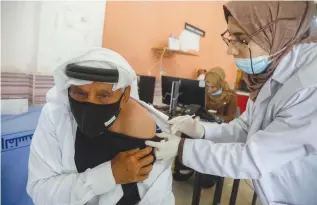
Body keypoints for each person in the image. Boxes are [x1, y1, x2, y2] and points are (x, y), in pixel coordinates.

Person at [146, 1, 317, 205]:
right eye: (231, 37)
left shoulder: (309, 87)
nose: (230, 51)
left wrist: (182, 148)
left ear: (278, 35)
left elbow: (253, 158)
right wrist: (201, 130)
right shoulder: (270, 74)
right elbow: (245, 127)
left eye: (242, 39)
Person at [27, 48, 174, 205]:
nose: (91, 104)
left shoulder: (144, 130)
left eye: (103, 96)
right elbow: (40, 191)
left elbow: (158, 197)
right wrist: (109, 175)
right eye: (80, 93)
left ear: (124, 96)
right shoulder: (55, 118)